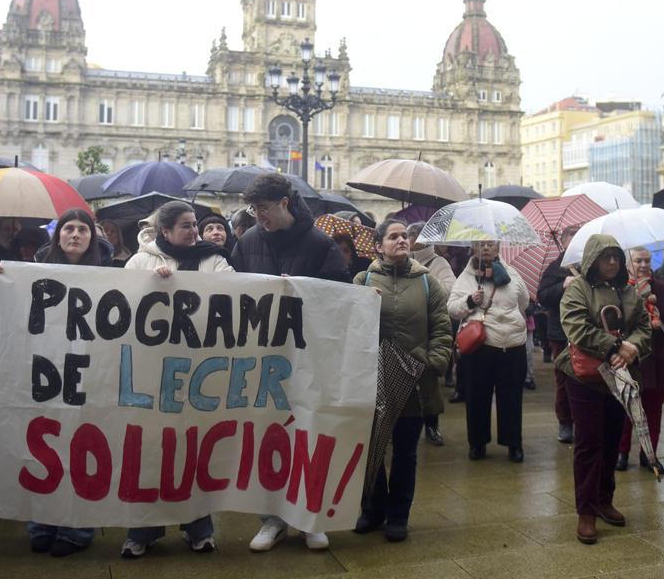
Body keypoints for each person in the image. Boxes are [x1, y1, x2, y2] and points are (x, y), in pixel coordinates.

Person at [231, 173, 349, 552]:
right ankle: (272, 519)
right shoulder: (248, 241)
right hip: (262, 358)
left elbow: (340, 295)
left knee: (309, 434)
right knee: (266, 438)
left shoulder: (319, 244)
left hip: (307, 357)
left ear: (284, 203)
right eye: (253, 209)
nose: (258, 216)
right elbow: (233, 293)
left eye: (263, 208)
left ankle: (309, 517)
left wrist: (302, 289)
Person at [119, 200, 232, 558]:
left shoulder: (213, 259)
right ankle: (143, 531)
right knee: (150, 450)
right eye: (186, 225)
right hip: (151, 371)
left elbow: (236, 292)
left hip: (199, 370)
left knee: (195, 448)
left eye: (195, 224)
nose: (195, 231)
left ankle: (199, 528)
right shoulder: (140, 262)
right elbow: (119, 305)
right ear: (165, 231)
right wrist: (151, 286)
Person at [15, 208, 113, 556]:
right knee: (47, 448)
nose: (74, 234)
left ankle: (78, 527)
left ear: (92, 237)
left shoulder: (109, 275)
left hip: (91, 373)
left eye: (82, 229)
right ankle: (42, 521)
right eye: (68, 228)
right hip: (48, 371)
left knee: (84, 449)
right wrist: (5, 282)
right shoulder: (36, 274)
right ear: (58, 236)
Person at [353, 220, 452, 542]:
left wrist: (433, 363)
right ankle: (372, 509)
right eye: (393, 237)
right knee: (372, 450)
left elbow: (442, 328)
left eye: (404, 236)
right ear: (379, 245)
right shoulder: (362, 280)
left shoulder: (428, 283)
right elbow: (347, 324)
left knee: (406, 452)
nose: (401, 241)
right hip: (372, 380)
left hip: (414, 381)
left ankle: (398, 515)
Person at [557, 234, 651, 545]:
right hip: (585, 377)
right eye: (605, 256)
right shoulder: (577, 291)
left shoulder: (628, 290)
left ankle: (604, 499)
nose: (611, 262)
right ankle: (585, 510)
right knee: (588, 442)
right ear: (592, 259)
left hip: (620, 374)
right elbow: (576, 327)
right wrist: (614, 346)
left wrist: (631, 348)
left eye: (615, 256)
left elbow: (643, 326)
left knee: (612, 438)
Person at [448, 240, 530, 463]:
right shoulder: (466, 277)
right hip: (480, 346)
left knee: (512, 397)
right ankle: (477, 443)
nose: (486, 248)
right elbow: (452, 308)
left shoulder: (512, 273)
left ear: (498, 247)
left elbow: (524, 301)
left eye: (490, 244)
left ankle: (514, 443)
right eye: (480, 244)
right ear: (473, 248)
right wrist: (470, 301)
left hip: (512, 345)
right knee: (477, 397)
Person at [617, 247, 664, 475]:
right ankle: (621, 452)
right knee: (627, 412)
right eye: (638, 261)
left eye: (647, 260)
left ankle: (649, 454)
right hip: (631, 363)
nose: (643, 265)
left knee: (653, 412)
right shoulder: (621, 291)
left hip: (658, 363)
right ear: (629, 264)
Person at [407, 222, 456, 446]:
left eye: (412, 236)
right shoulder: (400, 261)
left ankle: (432, 426)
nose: (408, 240)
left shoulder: (438, 262)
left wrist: (424, 277)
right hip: (405, 327)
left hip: (427, 328)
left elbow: (450, 290)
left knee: (428, 383)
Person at [538, 226, 580, 444]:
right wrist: (562, 286)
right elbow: (542, 296)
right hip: (561, 333)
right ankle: (565, 422)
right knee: (564, 379)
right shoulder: (555, 269)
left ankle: (581, 419)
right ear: (563, 243)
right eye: (571, 240)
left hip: (585, 331)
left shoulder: (589, 266)